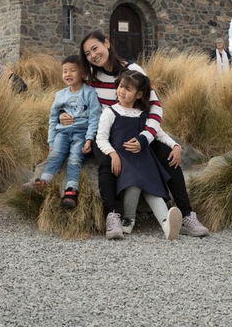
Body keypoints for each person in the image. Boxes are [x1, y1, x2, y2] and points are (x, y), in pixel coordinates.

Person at [65, 30, 209, 239]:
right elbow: (74, 98)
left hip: (137, 129)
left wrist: (144, 138)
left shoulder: (132, 70)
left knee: (169, 155)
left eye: (95, 48)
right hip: (104, 131)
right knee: (106, 162)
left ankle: (186, 216)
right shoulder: (90, 76)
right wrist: (64, 115)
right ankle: (112, 217)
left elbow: (156, 107)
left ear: (107, 43)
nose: (93, 55)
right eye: (87, 53)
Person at [96, 70, 182, 240]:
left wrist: (176, 145)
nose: (122, 91)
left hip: (144, 160)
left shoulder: (143, 115)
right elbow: (101, 138)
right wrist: (112, 154)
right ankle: (129, 219)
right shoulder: (110, 112)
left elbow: (159, 134)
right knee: (134, 184)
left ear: (139, 94)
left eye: (128, 89)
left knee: (154, 190)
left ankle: (167, 225)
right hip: (124, 160)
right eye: (121, 86)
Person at [23, 54, 101, 209]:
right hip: (62, 133)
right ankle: (43, 182)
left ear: (83, 73)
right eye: (65, 71)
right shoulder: (60, 95)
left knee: (74, 159)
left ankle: (71, 191)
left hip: (81, 133)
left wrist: (89, 139)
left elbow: (95, 117)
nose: (68, 74)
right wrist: (51, 141)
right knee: (55, 155)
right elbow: (53, 119)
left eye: (73, 70)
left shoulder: (89, 93)